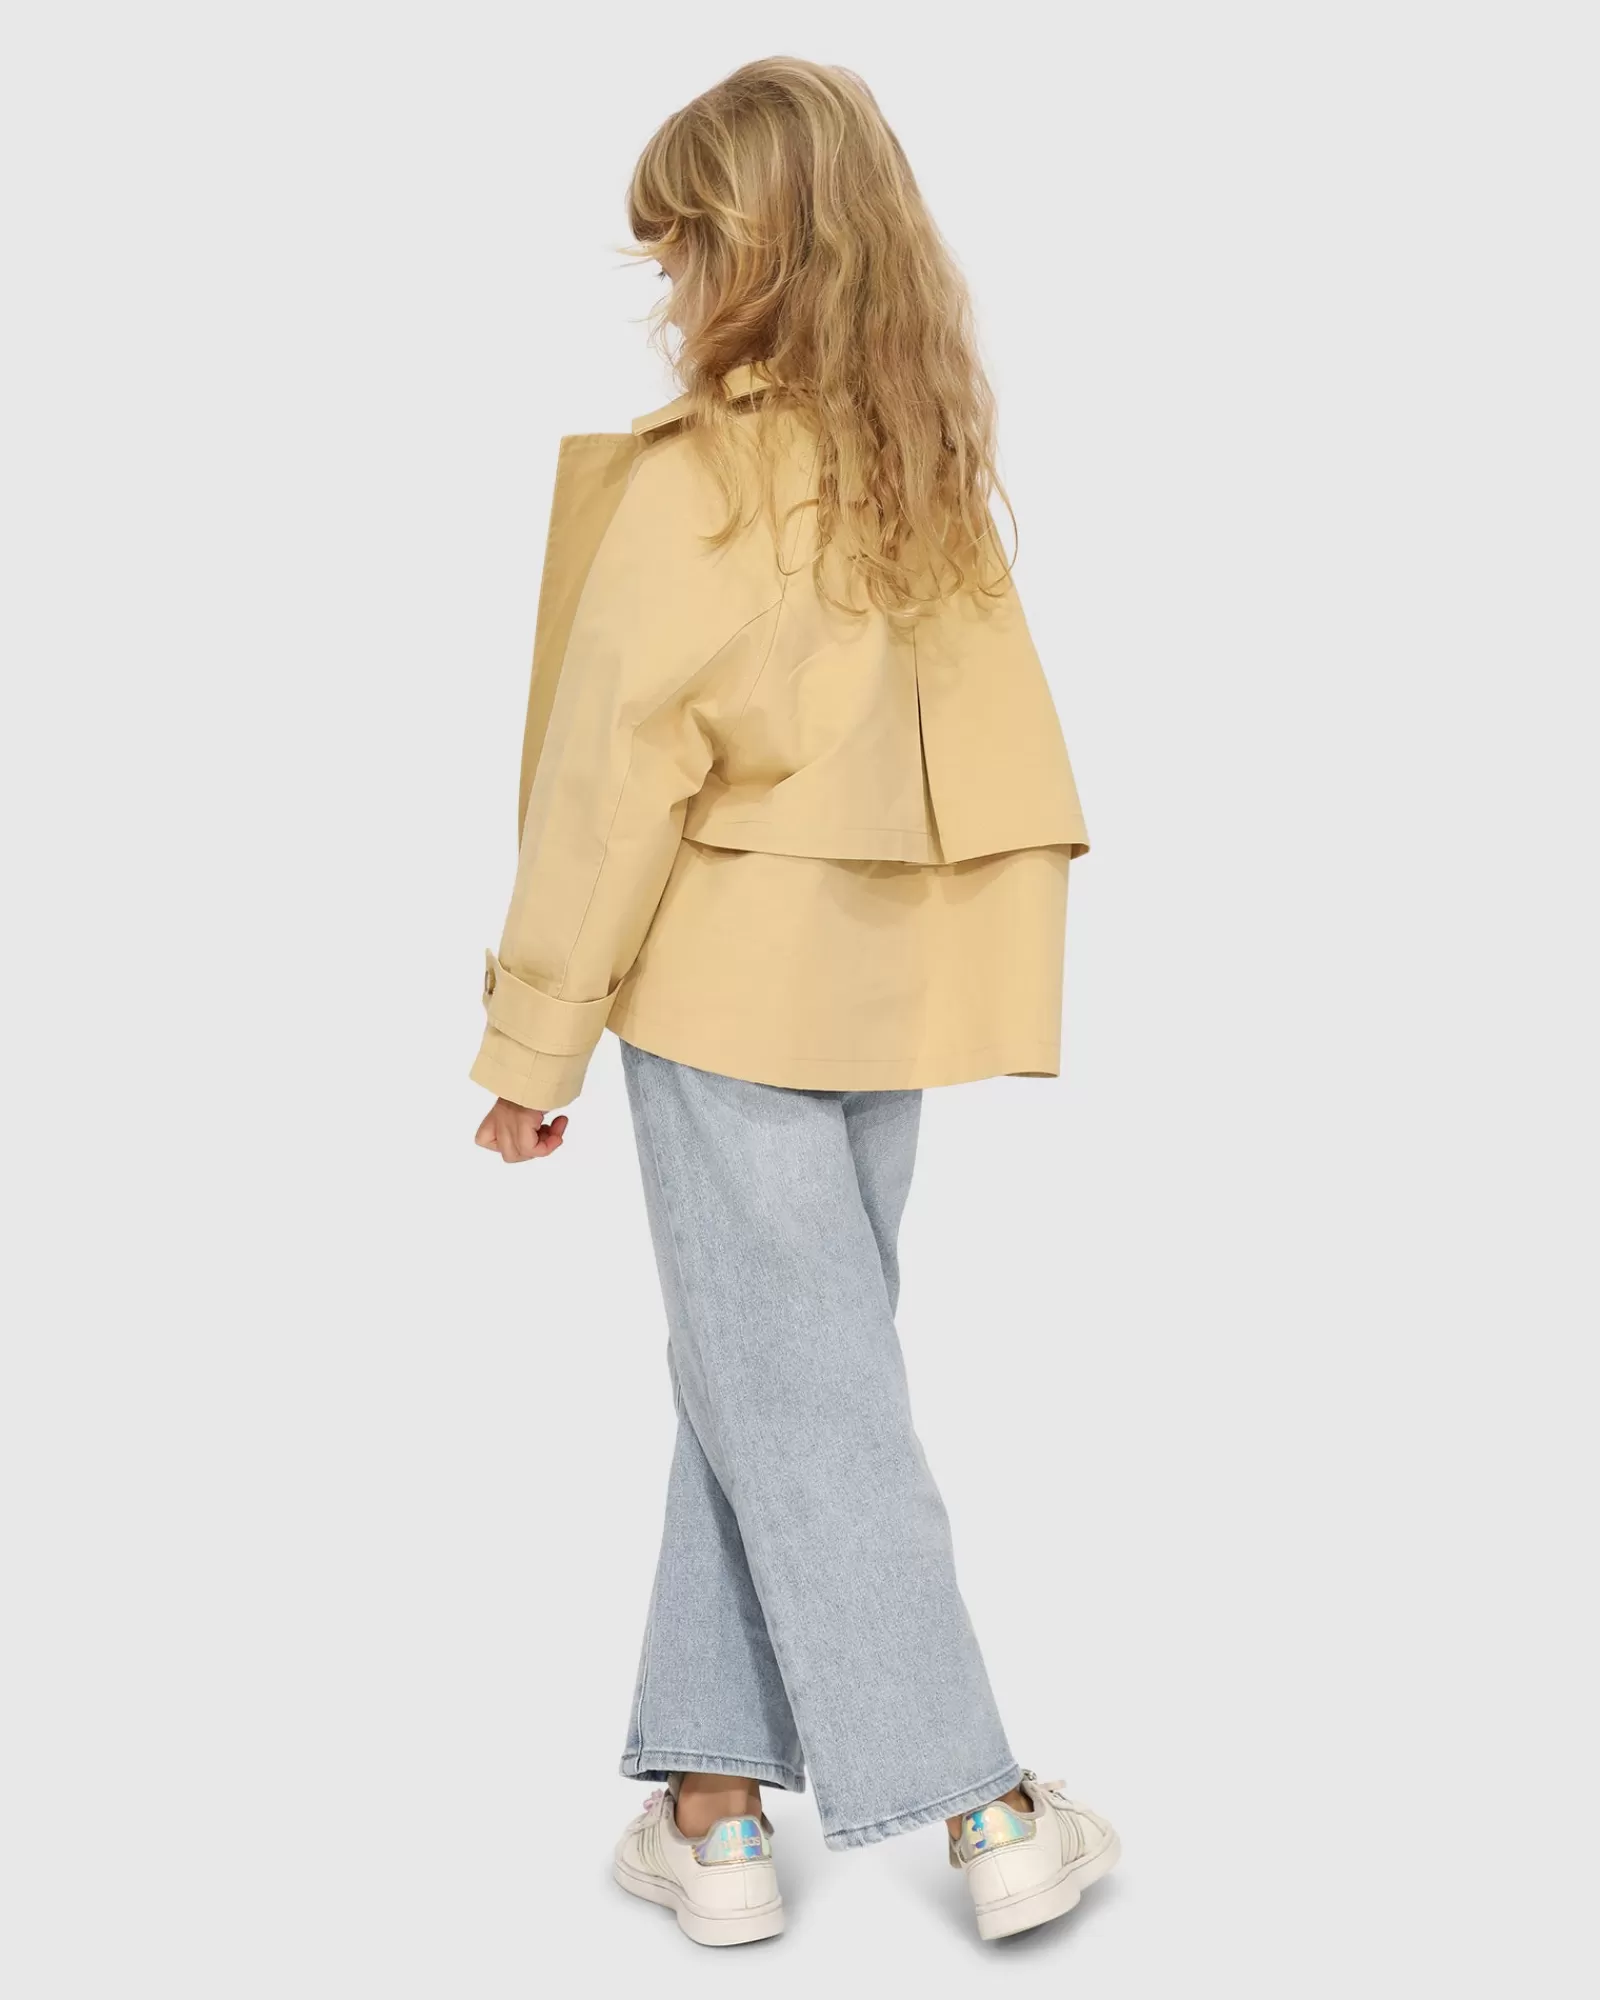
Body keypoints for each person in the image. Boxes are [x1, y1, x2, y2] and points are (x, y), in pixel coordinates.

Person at [470, 56, 1119, 1948]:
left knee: (802, 1397)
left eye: (684, 247)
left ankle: (981, 1803)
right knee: (773, 1379)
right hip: (886, 1002)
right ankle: (715, 1811)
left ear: (749, 255)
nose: (668, 284)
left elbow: (612, 781)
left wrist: (532, 1041)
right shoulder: (927, 465)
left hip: (722, 999)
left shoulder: (704, 485)